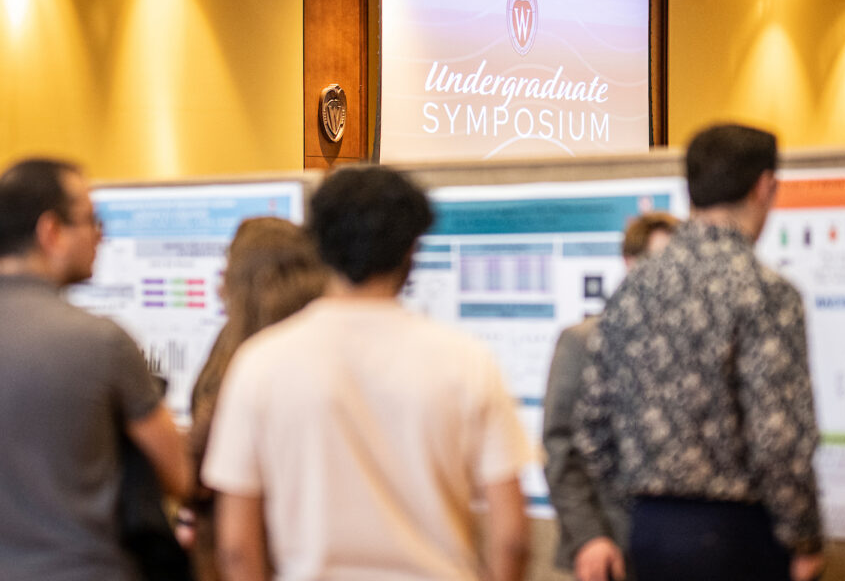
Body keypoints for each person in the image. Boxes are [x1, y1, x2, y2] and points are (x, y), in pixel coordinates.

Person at [202, 165, 532, 581]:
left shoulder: (260, 363)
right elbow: (512, 537)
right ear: (411, 251)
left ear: (317, 244)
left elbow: (236, 546)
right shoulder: (466, 362)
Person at [573, 124, 825, 581]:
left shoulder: (634, 289)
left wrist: (645, 502)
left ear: (689, 191)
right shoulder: (766, 292)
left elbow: (591, 427)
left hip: (649, 534)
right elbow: (779, 439)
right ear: (765, 187)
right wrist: (804, 537)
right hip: (741, 536)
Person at [0, 158, 191, 580]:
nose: (102, 236)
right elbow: (178, 475)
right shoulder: (101, 342)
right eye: (92, 220)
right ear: (50, 231)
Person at [180, 217, 328, 581]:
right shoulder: (314, 347)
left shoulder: (249, 357)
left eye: (228, 269)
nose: (219, 287)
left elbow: (196, 457)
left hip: (242, 547)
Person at [543, 212, 679, 581]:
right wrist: (589, 537)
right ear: (631, 263)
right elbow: (560, 448)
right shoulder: (584, 341)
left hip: (680, 549)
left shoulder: (691, 347)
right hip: (608, 549)